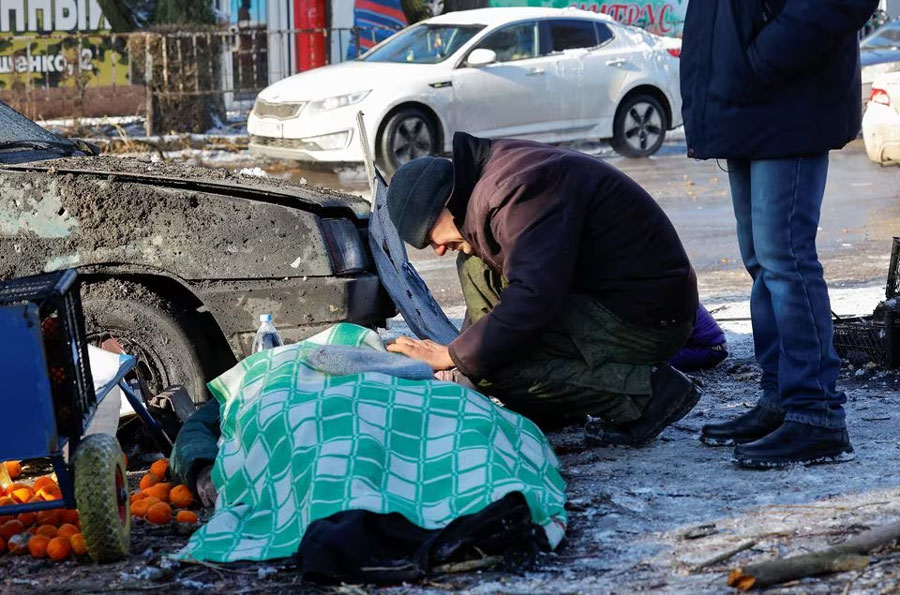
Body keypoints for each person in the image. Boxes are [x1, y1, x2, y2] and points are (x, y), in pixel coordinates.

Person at [384, 132, 701, 446]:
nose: (438, 248)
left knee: (495, 368)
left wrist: (453, 356)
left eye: (430, 237)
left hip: (647, 322)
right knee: (475, 272)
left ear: (444, 204)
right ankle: (552, 407)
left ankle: (648, 394)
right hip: (623, 300)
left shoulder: (516, 192)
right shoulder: (493, 182)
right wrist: (461, 369)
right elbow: (508, 301)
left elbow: (532, 299)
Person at [680, 0, 878, 468]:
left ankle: (816, 413)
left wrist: (763, 60)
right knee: (762, 262)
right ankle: (782, 397)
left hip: (787, 99)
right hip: (747, 102)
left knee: (785, 258)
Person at [670, 305, 728, 373]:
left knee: (659, 362)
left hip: (710, 350)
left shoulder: (670, 304)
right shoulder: (682, 297)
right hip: (717, 347)